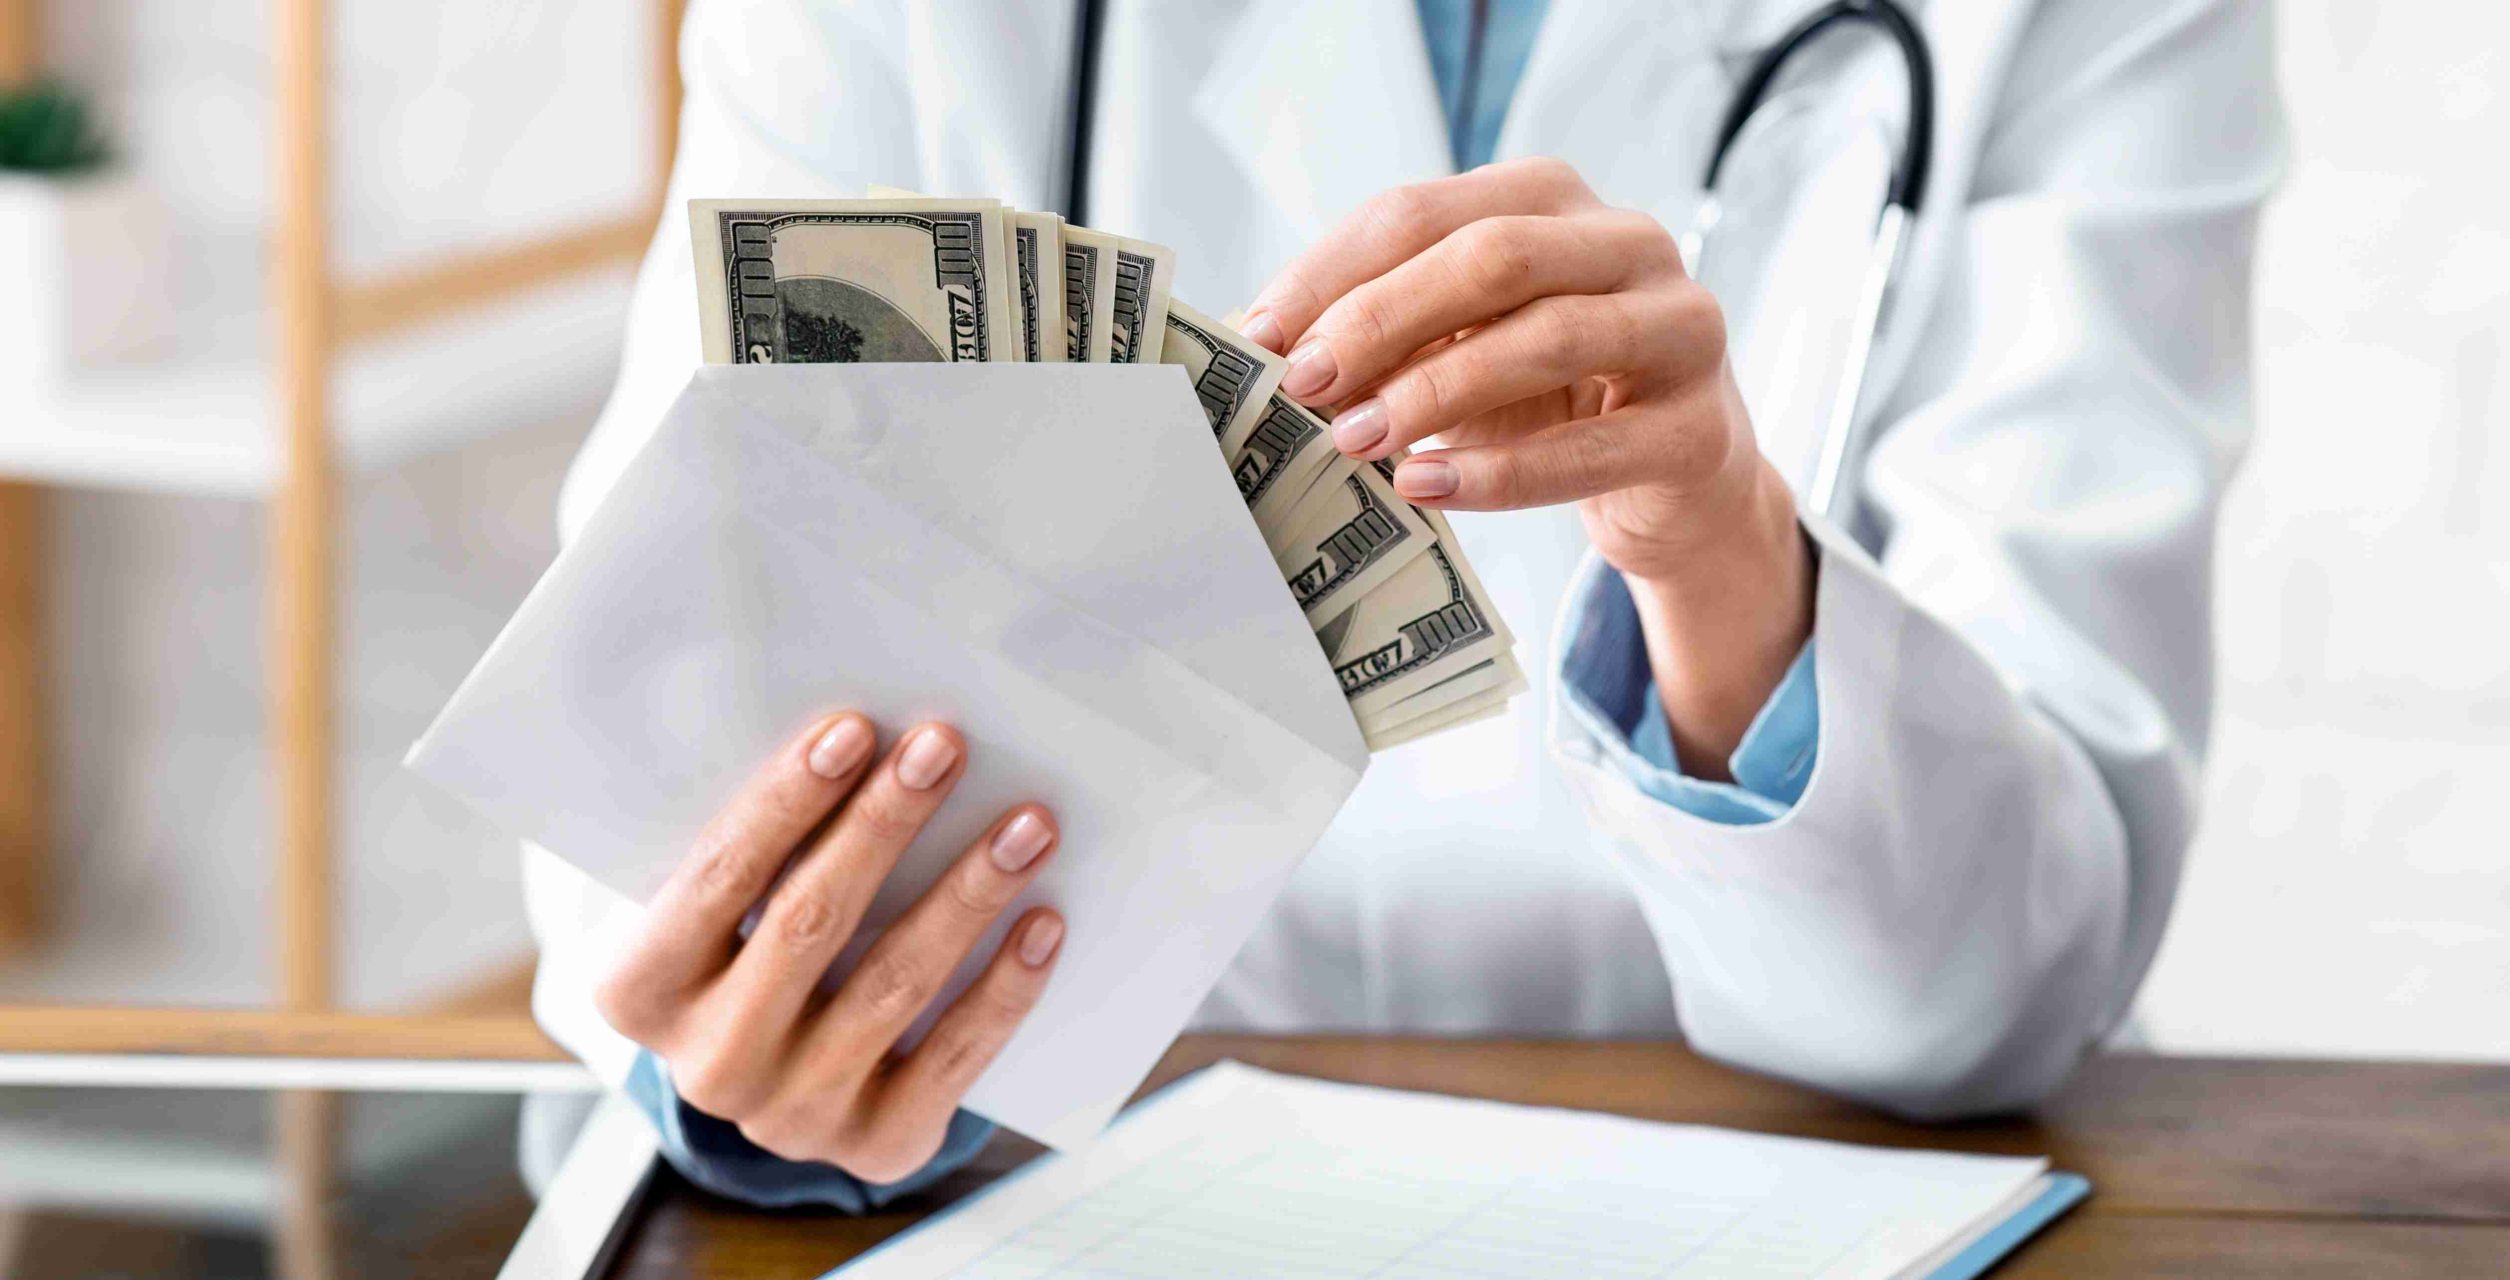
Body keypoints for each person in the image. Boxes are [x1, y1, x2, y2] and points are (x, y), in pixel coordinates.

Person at [518, 0, 2284, 1206]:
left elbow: (1999, 975)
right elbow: (648, 766)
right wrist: (785, 1056)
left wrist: (1721, 542)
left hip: (1799, 1174)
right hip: (1073, 1172)